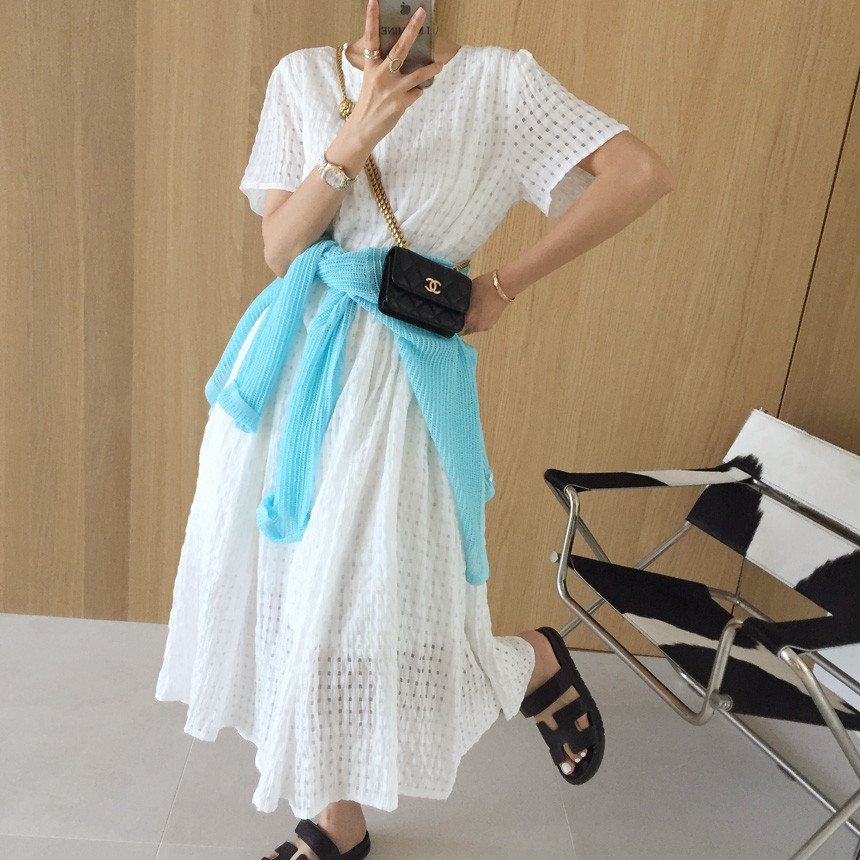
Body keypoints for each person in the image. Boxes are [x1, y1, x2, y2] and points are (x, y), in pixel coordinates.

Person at [154, 1, 674, 858]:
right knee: (292, 595)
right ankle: (338, 819)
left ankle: (528, 663)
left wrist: (501, 286)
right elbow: (281, 250)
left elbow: (639, 174)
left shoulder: (500, 85)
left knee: (364, 604)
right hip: (290, 368)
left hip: (398, 380)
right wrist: (356, 134)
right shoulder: (301, 77)